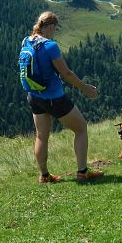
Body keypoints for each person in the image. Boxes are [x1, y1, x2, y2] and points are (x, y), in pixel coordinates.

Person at [24, 10, 103, 184]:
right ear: (51, 26)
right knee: (81, 128)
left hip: (34, 96)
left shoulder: (26, 41)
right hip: (54, 98)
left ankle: (44, 176)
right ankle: (82, 172)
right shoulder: (50, 46)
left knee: (41, 136)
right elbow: (66, 73)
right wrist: (85, 88)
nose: (54, 32)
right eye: (55, 28)